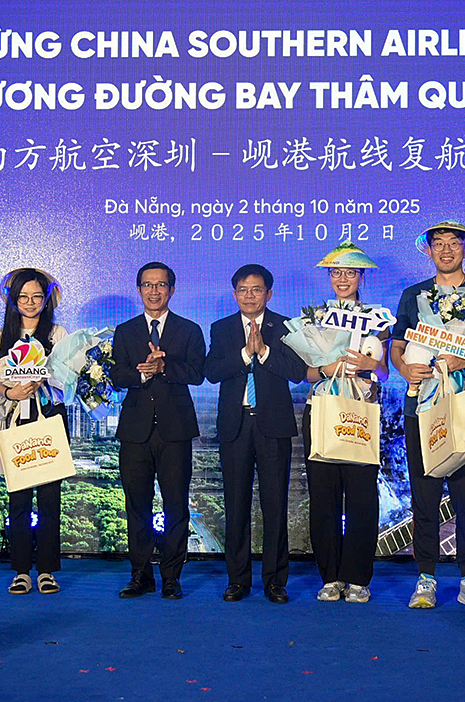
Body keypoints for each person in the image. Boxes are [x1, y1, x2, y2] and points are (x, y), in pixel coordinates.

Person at [390, 220, 465, 610]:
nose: (446, 249)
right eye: (439, 243)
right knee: (425, 496)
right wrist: (404, 368)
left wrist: (462, 359)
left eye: (454, 243)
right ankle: (426, 577)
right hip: (421, 409)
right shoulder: (413, 296)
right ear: (429, 250)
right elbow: (397, 347)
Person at [205, 264, 307, 603]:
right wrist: (244, 354)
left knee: (275, 505)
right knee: (236, 506)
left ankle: (275, 581)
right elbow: (212, 371)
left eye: (257, 289)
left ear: (269, 293)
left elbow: (297, 371)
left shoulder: (285, 327)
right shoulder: (221, 328)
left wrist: (263, 352)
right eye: (243, 290)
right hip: (235, 426)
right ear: (235, 294)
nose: (250, 296)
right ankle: (237, 580)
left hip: (272, 425)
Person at [110, 262, 206, 600]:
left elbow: (198, 373)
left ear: (171, 290)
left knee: (175, 505)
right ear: (139, 290)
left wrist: (165, 367)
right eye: (148, 285)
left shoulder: (189, 330)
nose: (154, 291)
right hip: (135, 431)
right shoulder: (125, 331)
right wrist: (142, 374)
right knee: (137, 506)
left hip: (175, 430)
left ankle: (171, 577)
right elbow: (116, 375)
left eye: (161, 285)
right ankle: (140, 575)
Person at [302, 242, 388, 604]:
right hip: (321, 410)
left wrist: (371, 366)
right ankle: (330, 576)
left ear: (361, 277)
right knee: (324, 498)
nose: (342, 279)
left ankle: (358, 578)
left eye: (350, 273)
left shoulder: (377, 319)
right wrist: (326, 368)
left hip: (361, 412)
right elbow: (306, 373)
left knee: (362, 498)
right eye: (336, 272)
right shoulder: (315, 319)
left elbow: (385, 372)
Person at [0, 268, 70, 596]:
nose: (30, 303)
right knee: (18, 500)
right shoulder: (2, 336)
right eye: (23, 297)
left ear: (46, 299)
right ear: (13, 300)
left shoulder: (58, 334)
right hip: (15, 419)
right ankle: (21, 571)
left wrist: (44, 381)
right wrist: (11, 392)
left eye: (36, 296)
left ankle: (47, 570)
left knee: (50, 499)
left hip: (49, 418)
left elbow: (68, 378)